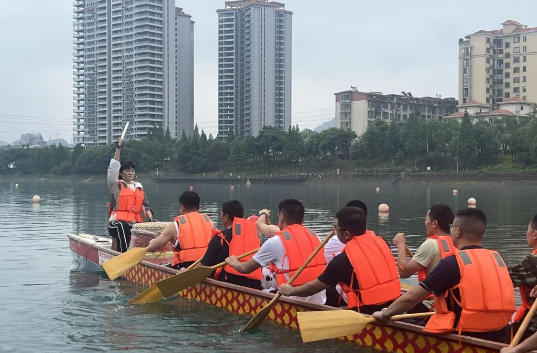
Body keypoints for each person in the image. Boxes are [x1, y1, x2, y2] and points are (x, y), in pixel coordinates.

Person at [372, 208, 515, 343]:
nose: (450, 230)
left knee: (400, 320)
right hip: (498, 331)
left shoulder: (453, 263)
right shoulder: (497, 260)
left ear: (457, 232)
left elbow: (412, 297)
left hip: (463, 333)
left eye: (452, 227)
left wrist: (385, 314)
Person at [278, 206, 400, 313]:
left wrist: (291, 291)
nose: (334, 231)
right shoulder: (382, 243)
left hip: (366, 311)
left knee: (328, 289)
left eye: (335, 228)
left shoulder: (342, 261)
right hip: (395, 305)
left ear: (347, 234)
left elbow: (313, 288)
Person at [225, 199, 327, 304]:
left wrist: (234, 262)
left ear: (281, 217)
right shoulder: (315, 236)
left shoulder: (275, 242)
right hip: (320, 301)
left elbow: (245, 268)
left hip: (291, 300)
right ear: (303, 220)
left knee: (259, 276)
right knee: (269, 272)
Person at [200, 200, 262, 290]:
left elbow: (203, 266)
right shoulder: (255, 237)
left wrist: (186, 272)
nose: (221, 217)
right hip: (254, 286)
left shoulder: (220, 238)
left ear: (226, 217)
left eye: (221, 214)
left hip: (228, 285)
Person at [107, 136, 155, 253]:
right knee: (122, 226)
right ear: (121, 173)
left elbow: (145, 206)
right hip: (116, 223)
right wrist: (119, 148)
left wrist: (151, 219)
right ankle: (124, 256)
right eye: (127, 170)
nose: (130, 173)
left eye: (132, 170)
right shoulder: (116, 185)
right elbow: (113, 169)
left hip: (134, 224)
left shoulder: (138, 187)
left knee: (149, 231)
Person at [147, 191, 213, 269]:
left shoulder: (175, 225)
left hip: (185, 267)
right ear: (199, 207)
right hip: (208, 265)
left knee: (163, 265)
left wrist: (152, 242)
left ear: (182, 208)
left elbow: (152, 248)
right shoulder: (209, 222)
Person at [392, 204, 456, 280]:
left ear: (434, 223)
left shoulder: (431, 244)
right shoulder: (455, 242)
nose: (425, 223)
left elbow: (404, 272)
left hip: (433, 292)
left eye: (426, 219)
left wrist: (400, 245)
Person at [509, 214, 537, 341]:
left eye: (527, 230)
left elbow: (504, 278)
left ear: (535, 234)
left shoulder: (532, 263)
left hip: (532, 328)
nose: (527, 233)